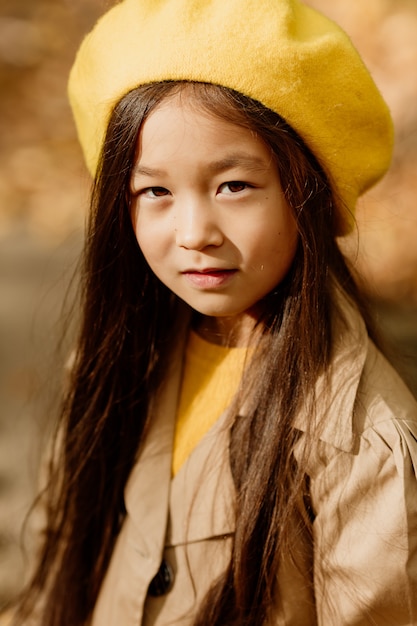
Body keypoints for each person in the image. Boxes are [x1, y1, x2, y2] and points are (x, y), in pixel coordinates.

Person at [11, 0, 417, 624]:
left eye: (234, 186)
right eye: (156, 192)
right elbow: (56, 571)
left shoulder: (364, 444)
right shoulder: (119, 363)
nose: (194, 231)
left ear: (306, 193)